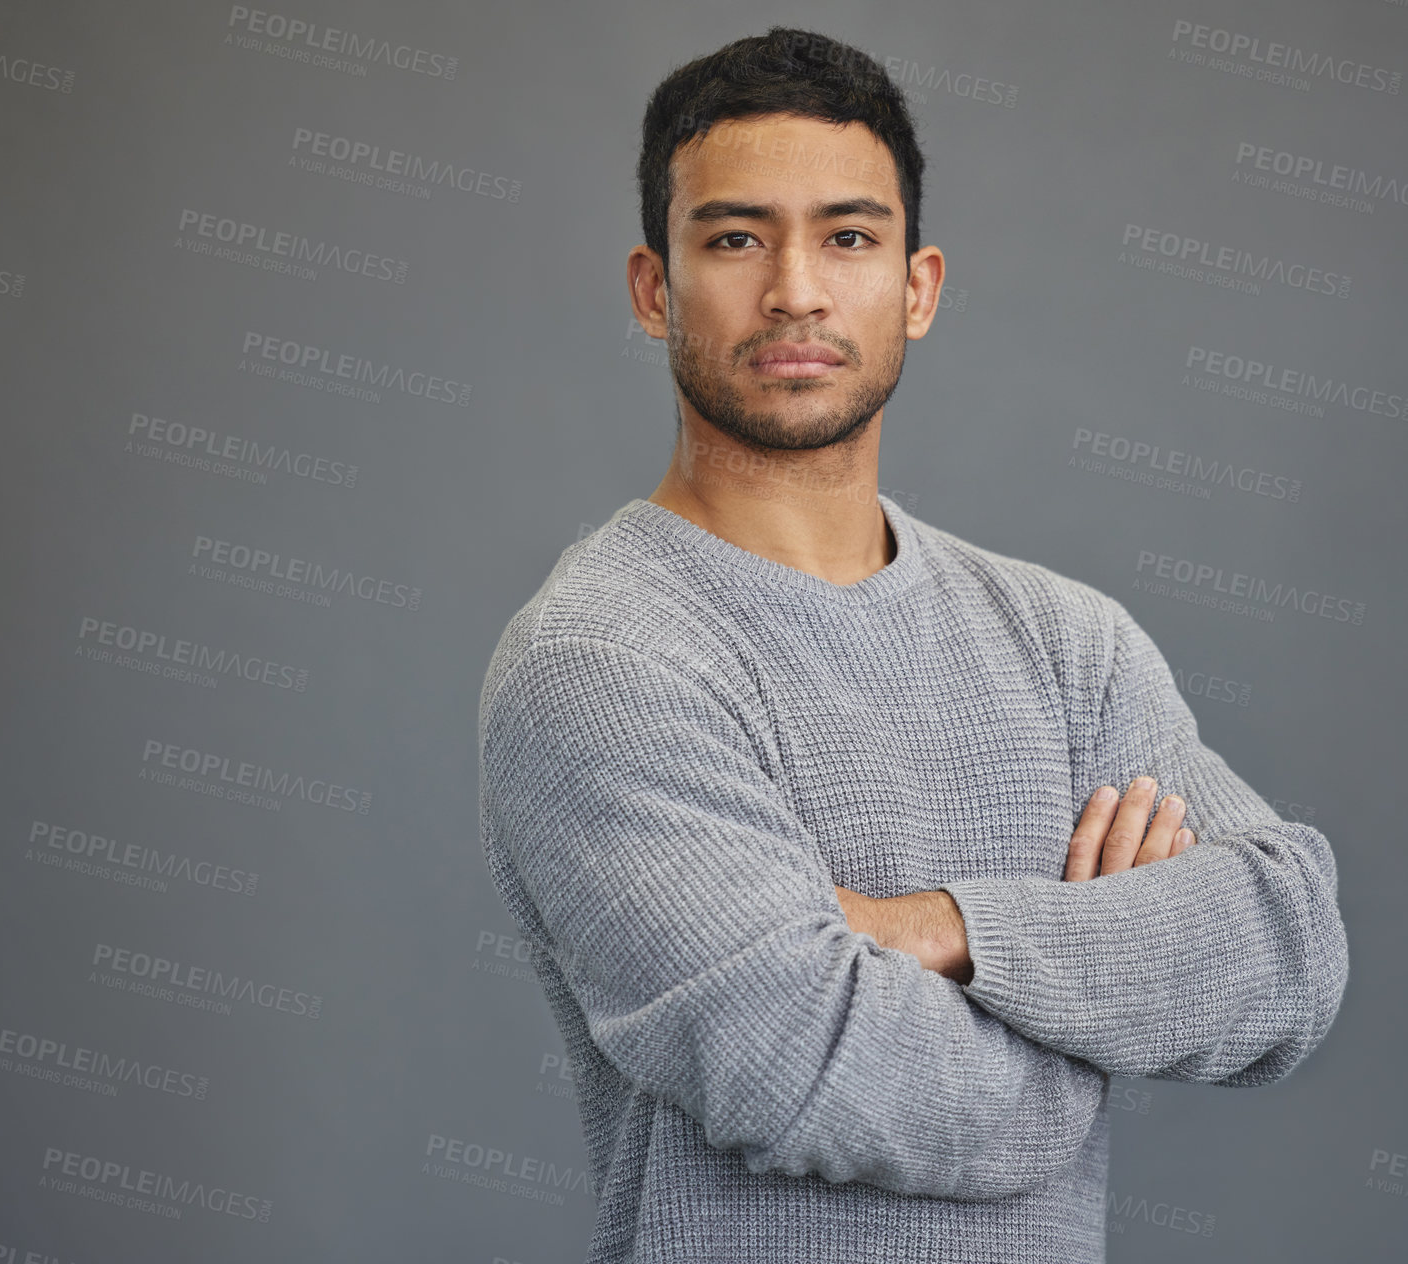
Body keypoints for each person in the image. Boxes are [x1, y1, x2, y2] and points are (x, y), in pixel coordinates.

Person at [477, 26, 1348, 1264]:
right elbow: (813, 1062)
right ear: (653, 288)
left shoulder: (1065, 641)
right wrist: (1096, 1015)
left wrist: (948, 929)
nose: (795, 289)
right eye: (734, 237)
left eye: (848, 236)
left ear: (918, 286)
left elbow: (1288, 952)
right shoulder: (603, 658)